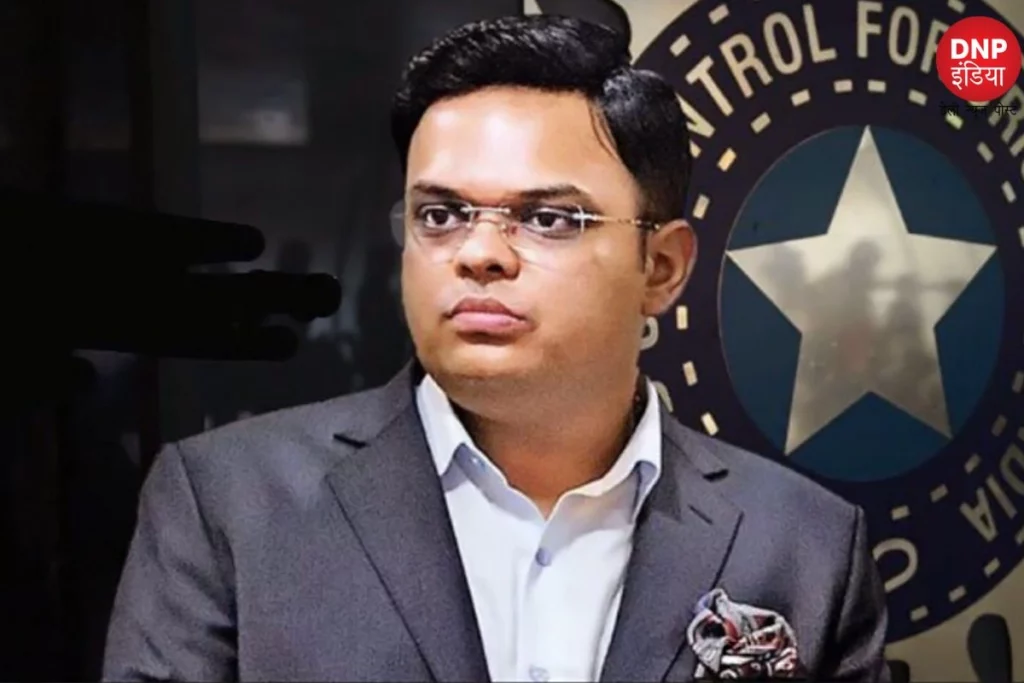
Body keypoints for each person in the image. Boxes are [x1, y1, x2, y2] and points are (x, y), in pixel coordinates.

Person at [103, 14, 890, 682]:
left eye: (547, 219)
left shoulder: (803, 545)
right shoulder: (232, 506)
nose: (479, 253)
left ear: (660, 266)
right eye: (440, 215)